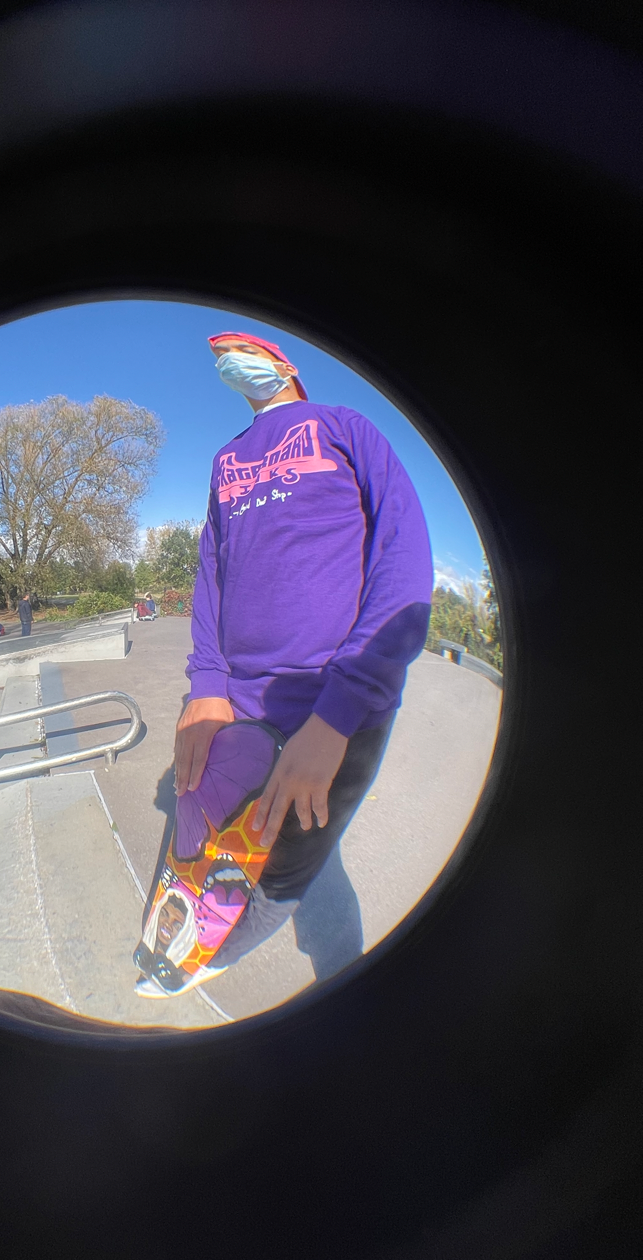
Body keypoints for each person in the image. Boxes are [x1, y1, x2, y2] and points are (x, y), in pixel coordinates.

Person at [160, 330, 432, 994]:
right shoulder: (226, 459)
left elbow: (403, 555)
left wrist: (338, 716)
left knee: (289, 868)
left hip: (334, 706)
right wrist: (206, 684)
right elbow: (212, 571)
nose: (225, 359)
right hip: (237, 703)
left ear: (284, 365)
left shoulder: (344, 426)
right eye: (219, 356)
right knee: (241, 841)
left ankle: (310, 977)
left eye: (241, 348)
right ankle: (212, 923)